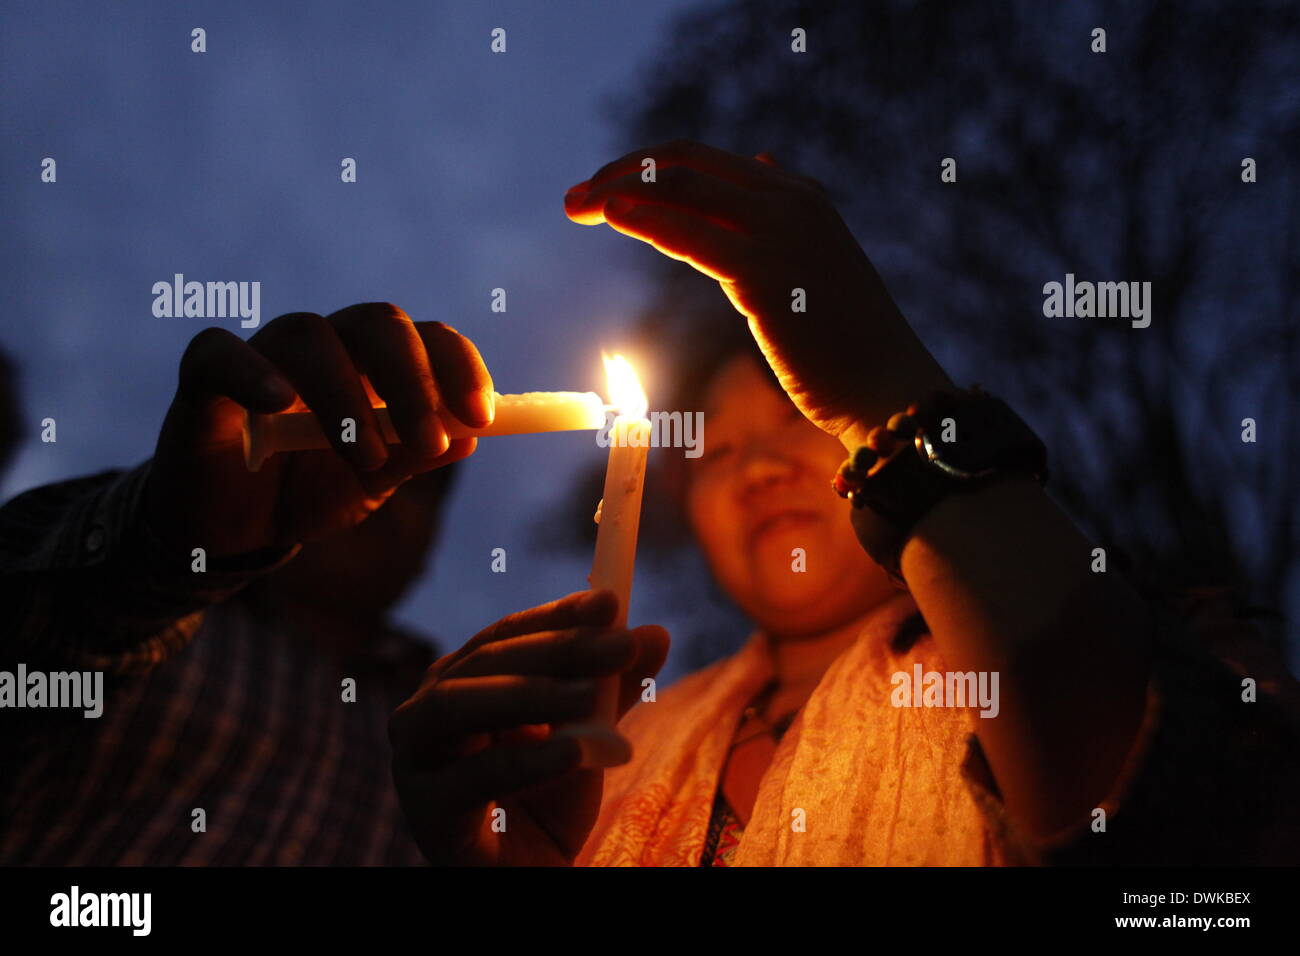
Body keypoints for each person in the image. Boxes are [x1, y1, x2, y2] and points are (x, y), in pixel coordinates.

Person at [387, 141, 1300, 866]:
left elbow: (1210, 855)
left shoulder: (1117, 638)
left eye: (795, 422)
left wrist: (898, 391)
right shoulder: (613, 750)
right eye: (716, 454)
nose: (756, 473)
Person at [0, 305, 490, 864]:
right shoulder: (138, 624)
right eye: (360, 440)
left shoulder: (456, 727)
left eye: (422, 484)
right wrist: (166, 546)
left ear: (433, 546)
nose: (383, 479)